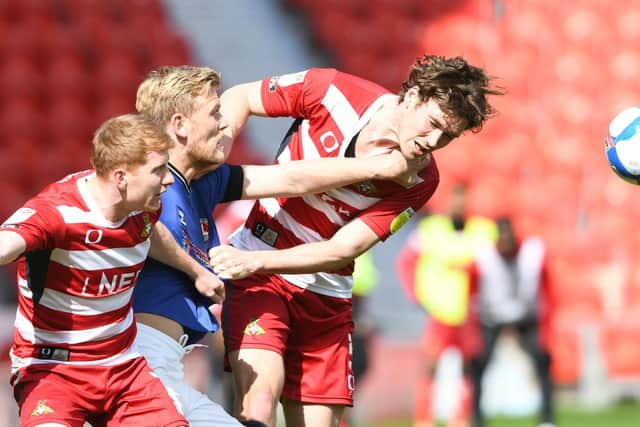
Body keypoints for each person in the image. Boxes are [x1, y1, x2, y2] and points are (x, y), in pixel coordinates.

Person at [208, 54, 503, 427]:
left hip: (324, 295)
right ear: (411, 96)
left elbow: (341, 250)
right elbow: (241, 97)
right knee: (259, 404)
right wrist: (218, 150)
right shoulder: (330, 90)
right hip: (260, 271)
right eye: (433, 125)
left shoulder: (421, 180)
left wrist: (256, 263)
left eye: (447, 136)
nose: (433, 142)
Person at [131, 65, 425, 427]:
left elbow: (292, 176)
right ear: (180, 125)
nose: (226, 124)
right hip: (137, 357)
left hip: (168, 363)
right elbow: (135, 224)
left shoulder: (206, 182)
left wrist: (377, 169)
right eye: (215, 114)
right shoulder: (138, 184)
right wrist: (196, 270)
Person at [0, 113, 225, 426]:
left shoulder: (143, 205)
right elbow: (6, 244)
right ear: (121, 177)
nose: (169, 179)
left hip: (123, 368)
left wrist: (195, 271)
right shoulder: (57, 213)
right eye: (158, 170)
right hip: (52, 370)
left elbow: (151, 231)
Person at [396, 183, 497, 427]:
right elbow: (406, 262)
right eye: (455, 199)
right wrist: (415, 295)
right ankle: (423, 419)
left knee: (467, 368)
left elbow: (493, 267)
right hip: (438, 311)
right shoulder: (430, 230)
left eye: (463, 199)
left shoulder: (483, 230)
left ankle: (459, 418)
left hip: (468, 313)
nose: (458, 205)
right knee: (431, 366)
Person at [467, 217, 555, 427]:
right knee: (479, 364)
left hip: (526, 315)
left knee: (542, 360)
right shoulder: (484, 256)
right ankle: (477, 419)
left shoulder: (532, 253)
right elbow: (471, 290)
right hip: (492, 316)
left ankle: (547, 419)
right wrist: (472, 325)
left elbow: (548, 289)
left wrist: (546, 325)